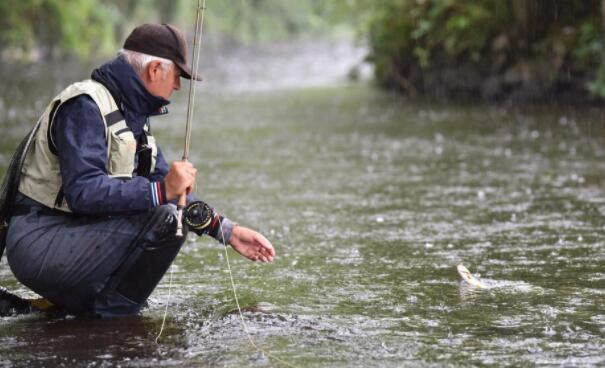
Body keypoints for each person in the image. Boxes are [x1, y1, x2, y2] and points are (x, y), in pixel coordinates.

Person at [3, 23, 275, 317]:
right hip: (39, 240)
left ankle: (100, 314)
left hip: (73, 236)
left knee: (170, 213)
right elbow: (84, 192)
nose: (178, 86)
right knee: (169, 221)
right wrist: (161, 191)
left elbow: (165, 186)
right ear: (155, 69)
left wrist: (226, 230)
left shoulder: (132, 115)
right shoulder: (85, 106)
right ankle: (112, 319)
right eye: (177, 76)